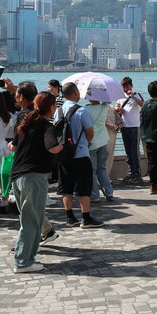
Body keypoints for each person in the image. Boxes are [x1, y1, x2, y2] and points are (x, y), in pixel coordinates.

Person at [10, 91, 63, 273]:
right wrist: (62, 144)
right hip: (33, 176)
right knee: (32, 221)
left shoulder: (25, 121)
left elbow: (13, 146)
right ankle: (23, 261)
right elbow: (52, 147)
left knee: (28, 219)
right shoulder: (46, 126)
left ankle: (26, 258)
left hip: (17, 175)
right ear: (51, 107)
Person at [58, 83, 103, 228]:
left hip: (63, 154)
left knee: (66, 187)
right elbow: (90, 132)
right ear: (76, 92)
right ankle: (86, 218)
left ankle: (70, 218)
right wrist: (88, 142)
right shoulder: (82, 111)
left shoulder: (58, 110)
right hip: (80, 154)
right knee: (84, 187)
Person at [114, 77, 145, 185]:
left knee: (134, 151)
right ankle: (131, 172)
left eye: (127, 85)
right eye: (123, 86)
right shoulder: (120, 97)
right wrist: (118, 109)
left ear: (131, 85)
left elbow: (143, 104)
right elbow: (116, 107)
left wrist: (133, 96)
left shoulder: (137, 95)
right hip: (124, 127)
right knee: (128, 151)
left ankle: (137, 173)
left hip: (135, 126)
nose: (125, 88)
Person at [85, 96, 113, 203]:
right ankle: (109, 192)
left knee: (92, 170)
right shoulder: (104, 107)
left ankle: (95, 195)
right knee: (102, 167)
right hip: (103, 140)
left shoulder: (86, 110)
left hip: (92, 143)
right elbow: (107, 100)